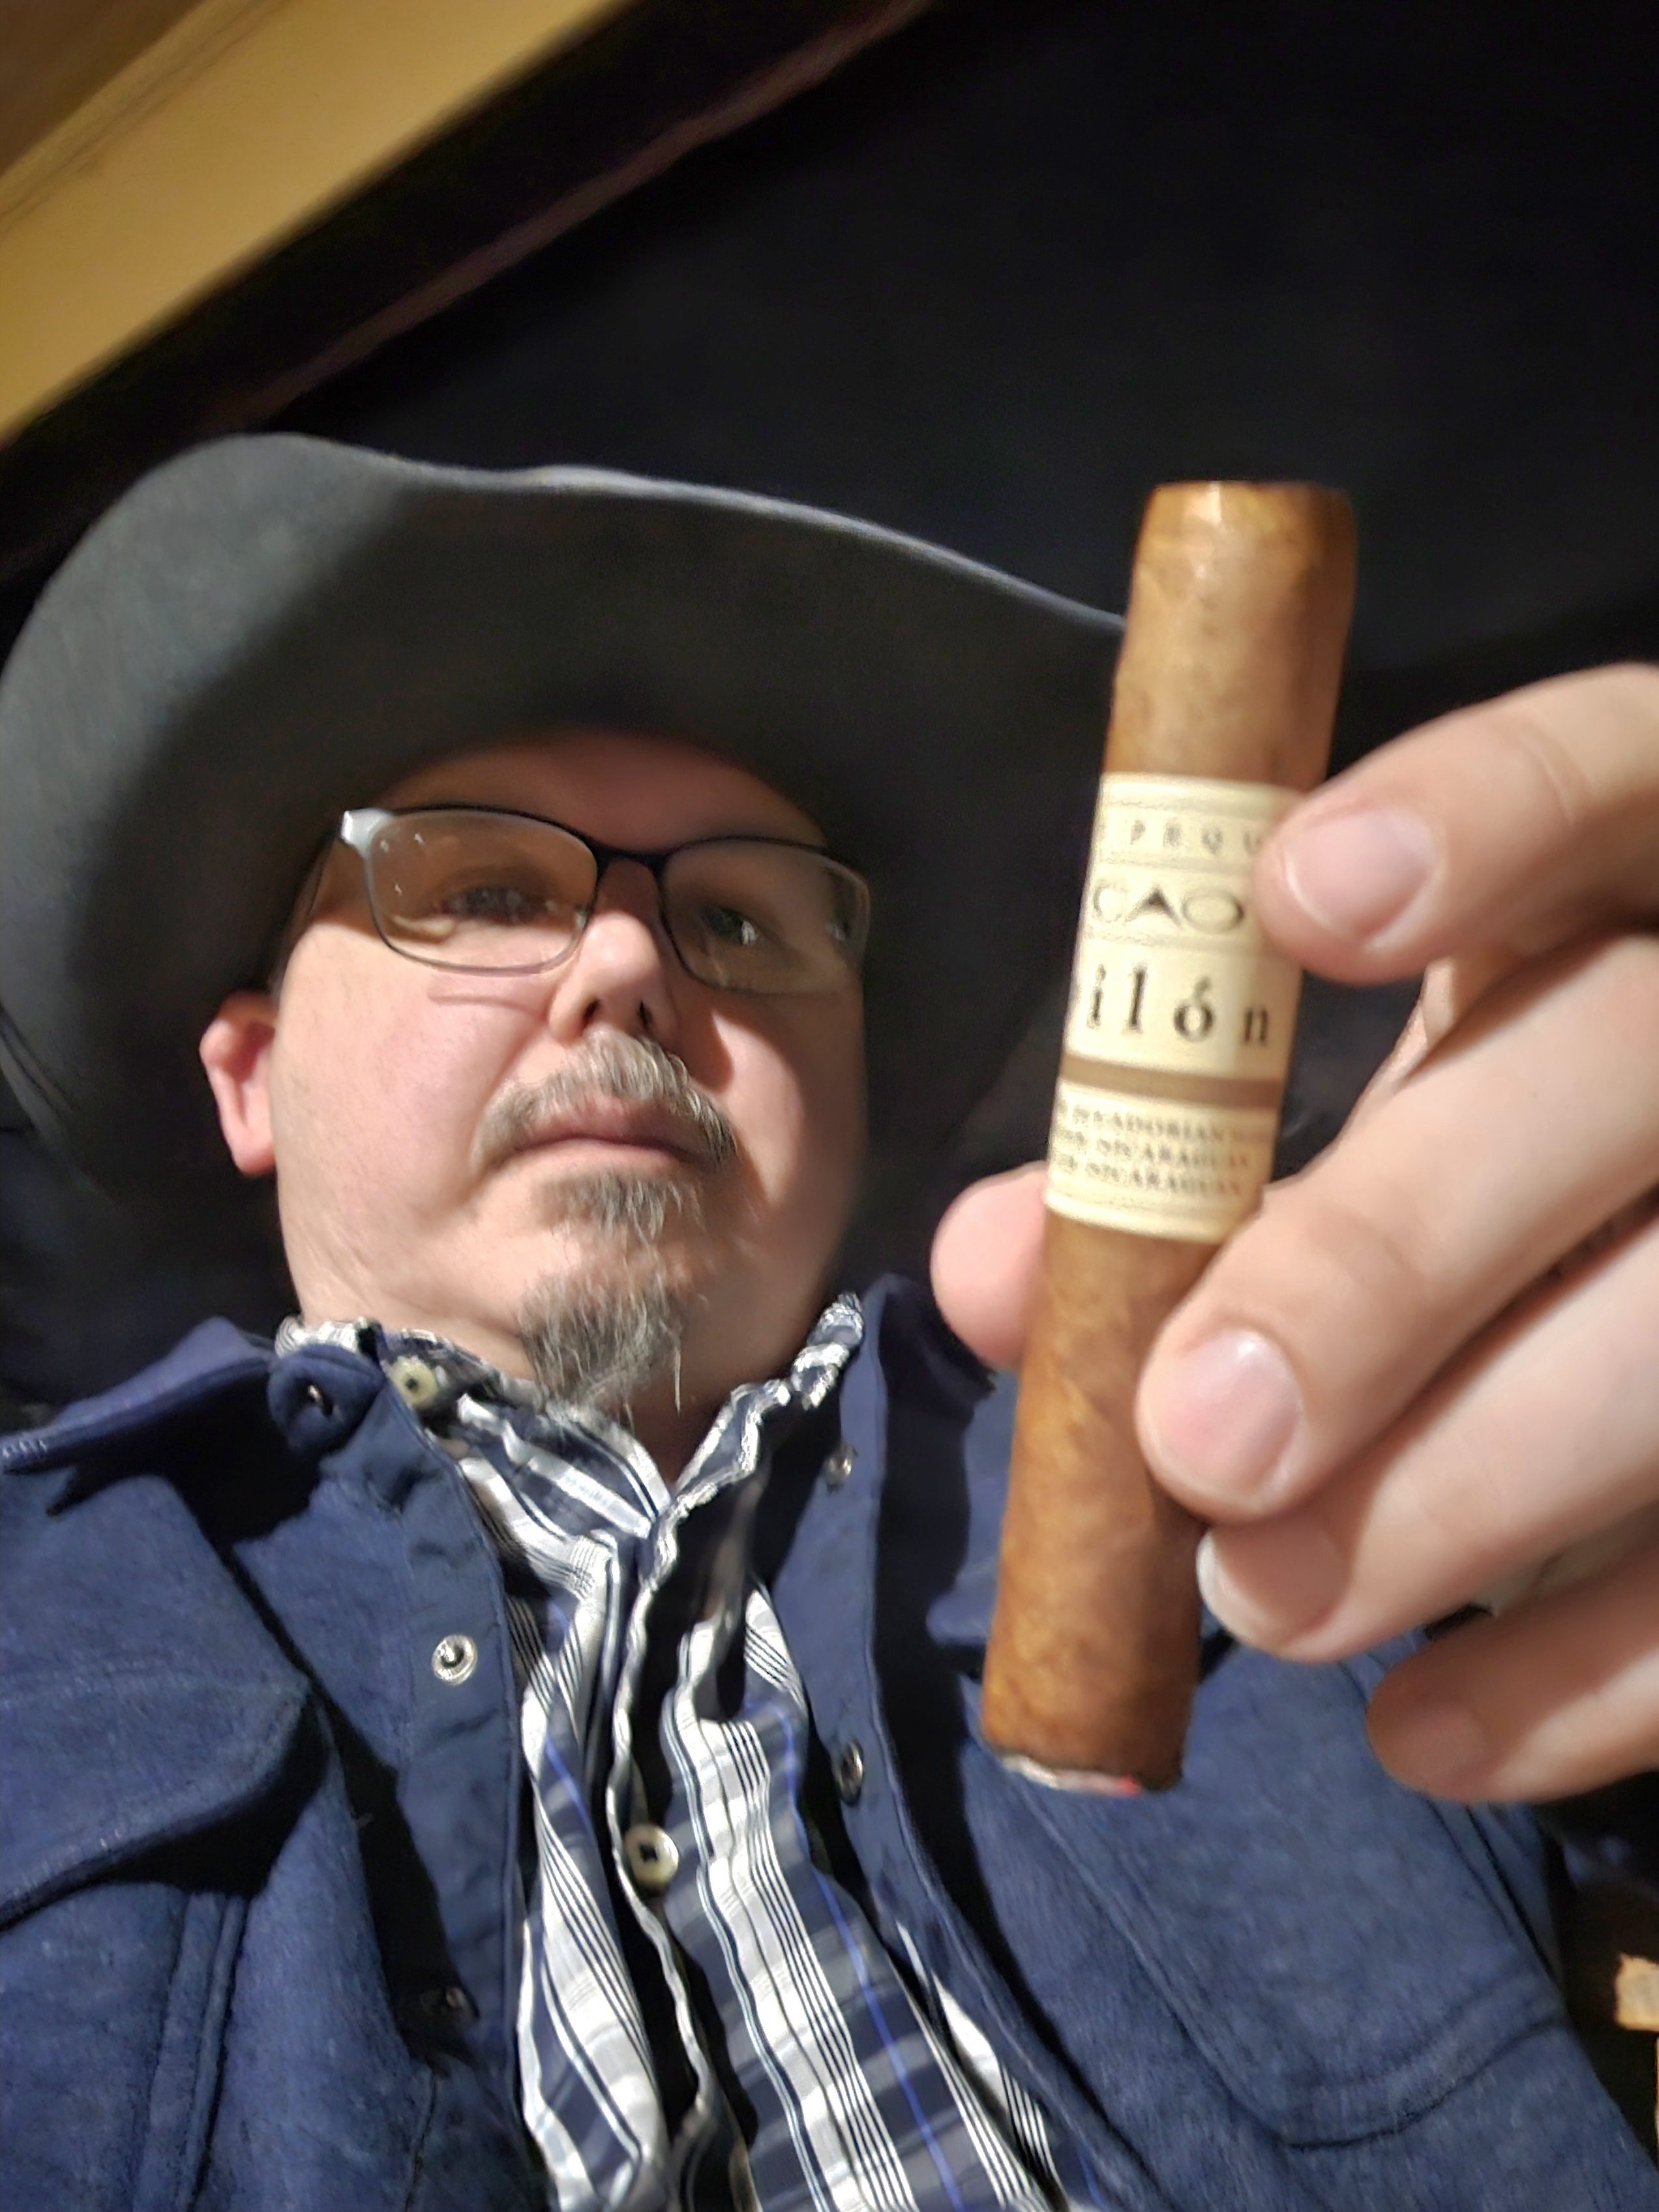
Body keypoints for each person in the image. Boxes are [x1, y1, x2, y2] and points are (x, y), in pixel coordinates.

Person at [1, 434, 1656, 2209]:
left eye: (734, 919)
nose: (628, 968)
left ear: (850, 1102)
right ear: (251, 1077)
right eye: (485, 893)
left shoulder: (1253, 1453)